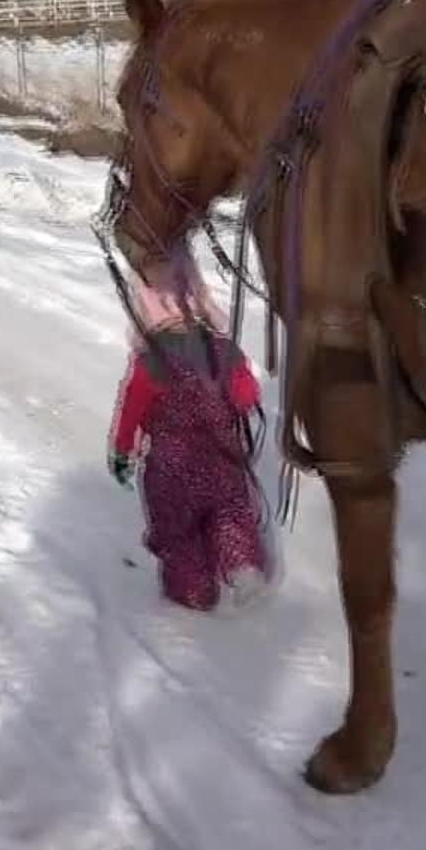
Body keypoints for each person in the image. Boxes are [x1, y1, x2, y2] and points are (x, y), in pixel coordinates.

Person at [107, 257, 274, 612]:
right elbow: (247, 397)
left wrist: (122, 451)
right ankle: (243, 565)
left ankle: (194, 589)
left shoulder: (149, 361)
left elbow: (130, 411)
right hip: (223, 460)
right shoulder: (225, 350)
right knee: (231, 514)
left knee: (178, 531)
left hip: (171, 469)